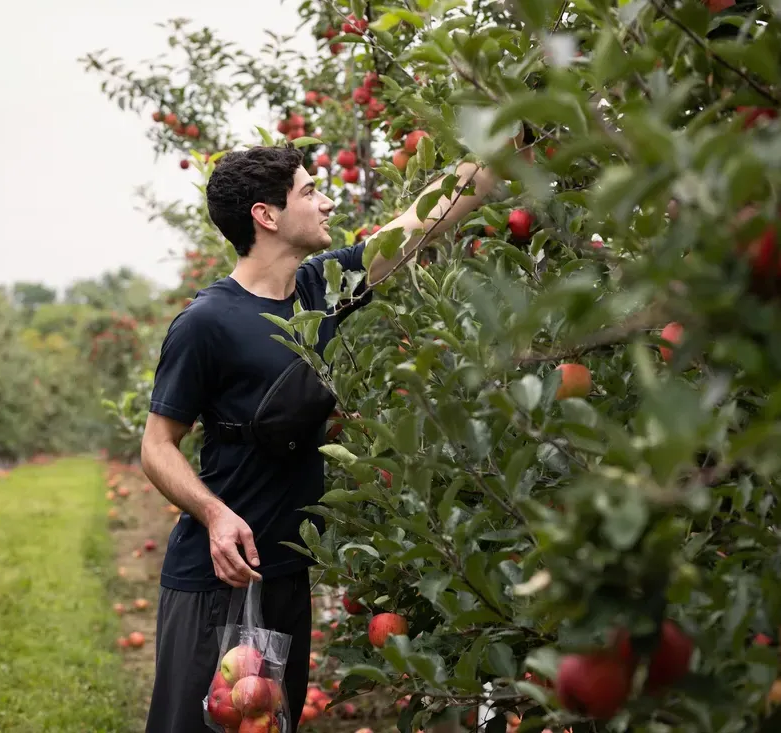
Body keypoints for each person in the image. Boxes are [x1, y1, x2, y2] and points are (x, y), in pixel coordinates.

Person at [141, 138, 516, 732]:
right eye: (310, 191)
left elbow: (420, 219)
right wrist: (214, 515)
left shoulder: (320, 291)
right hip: (217, 578)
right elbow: (156, 445)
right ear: (267, 216)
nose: (326, 203)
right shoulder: (205, 323)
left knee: (268, 727)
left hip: (284, 574)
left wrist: (512, 138)